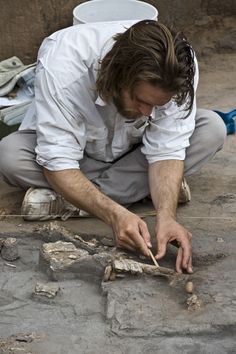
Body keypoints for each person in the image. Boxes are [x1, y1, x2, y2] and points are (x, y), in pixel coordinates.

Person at [0, 20, 226, 273]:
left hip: (135, 154)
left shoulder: (180, 68)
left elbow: (167, 149)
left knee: (212, 129)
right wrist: (115, 216)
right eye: (141, 101)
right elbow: (58, 161)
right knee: (9, 155)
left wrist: (167, 215)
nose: (148, 113)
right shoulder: (63, 61)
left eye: (158, 105)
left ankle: (73, 200)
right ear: (119, 76)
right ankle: (135, 192)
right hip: (82, 156)